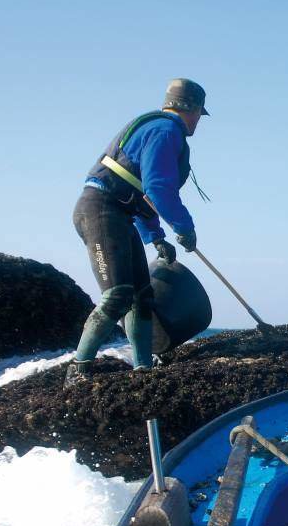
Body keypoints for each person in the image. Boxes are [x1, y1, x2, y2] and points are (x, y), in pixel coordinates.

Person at [67, 78, 207, 385]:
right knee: (118, 294)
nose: (199, 120)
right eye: (199, 113)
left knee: (142, 297)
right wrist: (184, 227)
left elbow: (139, 193)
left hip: (119, 213)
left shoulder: (159, 128)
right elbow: (157, 188)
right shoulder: (166, 130)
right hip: (101, 210)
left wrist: (155, 237)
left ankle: (142, 369)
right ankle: (78, 368)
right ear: (192, 108)